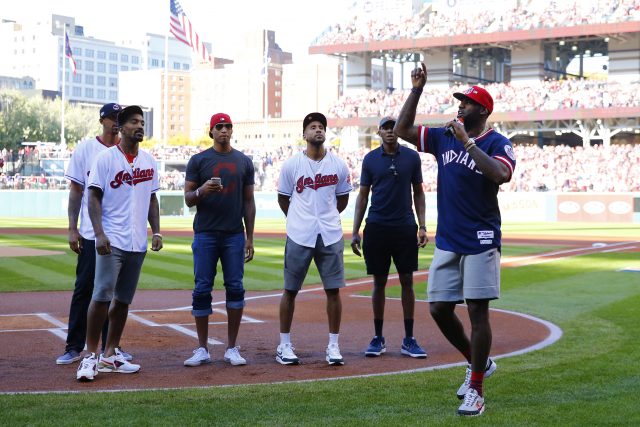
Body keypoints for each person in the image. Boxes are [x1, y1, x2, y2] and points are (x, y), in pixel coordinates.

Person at [394, 63, 516, 416]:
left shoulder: (496, 142)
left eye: (467, 102)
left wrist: (468, 142)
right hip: (448, 239)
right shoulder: (443, 136)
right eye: (459, 101)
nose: (460, 106)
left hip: (480, 238)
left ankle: (476, 389)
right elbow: (402, 129)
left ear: (482, 110)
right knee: (439, 308)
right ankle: (478, 363)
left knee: (478, 312)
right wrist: (416, 89)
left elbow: (500, 175)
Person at [76, 105, 162, 381]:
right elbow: (93, 197)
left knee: (123, 300)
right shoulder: (105, 159)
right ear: (121, 127)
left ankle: (110, 354)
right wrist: (98, 233)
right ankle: (89, 356)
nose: (140, 126)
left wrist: (156, 231)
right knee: (101, 295)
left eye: (141, 122)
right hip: (112, 240)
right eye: (134, 122)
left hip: (137, 242)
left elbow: (152, 199)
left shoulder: (149, 161)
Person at [57, 103, 132, 365]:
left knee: (111, 293)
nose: (116, 122)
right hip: (91, 233)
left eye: (120, 118)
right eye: (113, 118)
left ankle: (111, 347)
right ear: (102, 120)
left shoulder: (127, 152)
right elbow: (76, 191)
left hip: (119, 235)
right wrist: (72, 227)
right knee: (84, 289)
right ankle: (74, 347)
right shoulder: (86, 149)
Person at [276, 112, 352, 366]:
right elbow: (283, 198)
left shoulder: (338, 164)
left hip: (329, 233)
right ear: (304, 134)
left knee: (333, 291)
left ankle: (333, 345)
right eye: (312, 127)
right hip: (300, 233)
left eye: (321, 127)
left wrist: (327, 217)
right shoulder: (291, 165)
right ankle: (284, 344)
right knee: (290, 290)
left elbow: (342, 199)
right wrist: (299, 219)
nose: (317, 130)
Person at [351, 116, 428, 359]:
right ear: (379, 133)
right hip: (376, 226)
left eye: (394, 127)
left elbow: (419, 192)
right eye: (386, 128)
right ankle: (378, 337)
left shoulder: (412, 157)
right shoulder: (370, 159)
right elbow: (362, 196)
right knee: (379, 283)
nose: (391, 131)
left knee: (407, 281)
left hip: (405, 226)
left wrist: (423, 226)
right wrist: (355, 230)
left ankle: (409, 338)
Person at [182, 113, 256, 367]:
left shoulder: (244, 161)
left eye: (227, 126)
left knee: (235, 287)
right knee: (202, 289)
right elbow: (188, 199)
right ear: (211, 131)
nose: (224, 130)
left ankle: (232, 348)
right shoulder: (198, 160)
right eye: (219, 127)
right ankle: (201, 348)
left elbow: (249, 201)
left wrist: (250, 237)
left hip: (234, 235)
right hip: (205, 233)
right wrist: (203, 190)